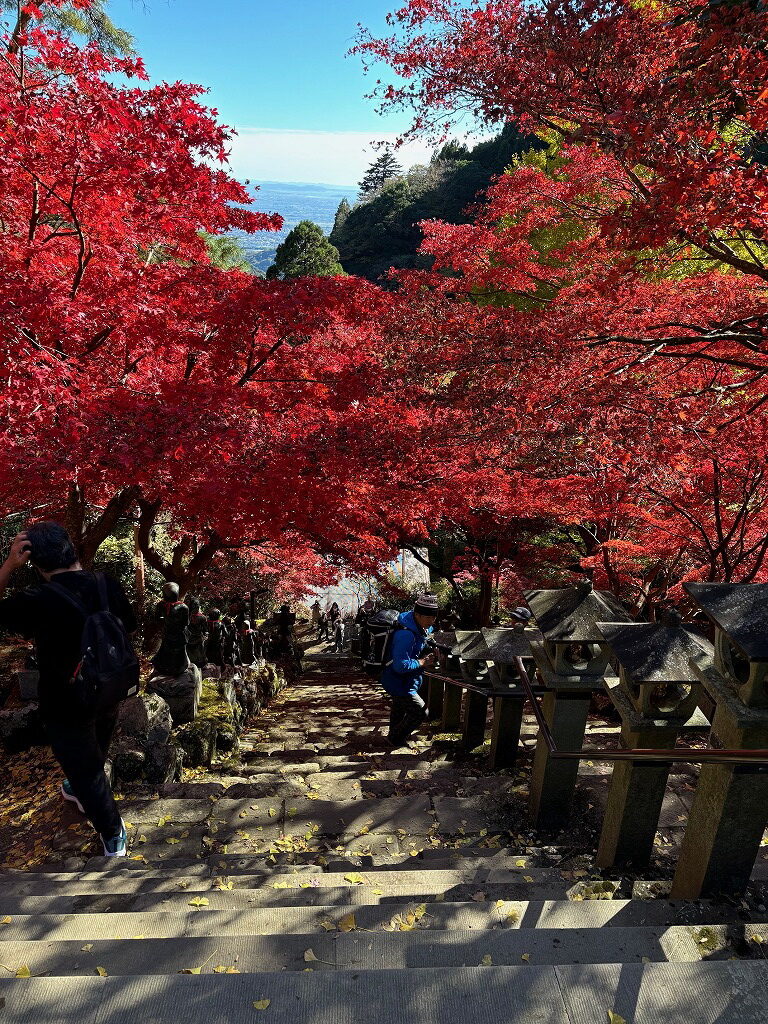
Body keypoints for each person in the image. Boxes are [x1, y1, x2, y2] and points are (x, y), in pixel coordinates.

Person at [0, 523, 137, 857]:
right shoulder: (107, 584)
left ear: (34, 560)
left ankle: (112, 833)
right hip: (110, 685)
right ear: (71, 548)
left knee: (84, 766)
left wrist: (8, 566)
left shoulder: (38, 599)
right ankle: (78, 788)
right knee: (96, 744)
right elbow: (129, 625)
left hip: (65, 697)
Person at [380, 593, 439, 748]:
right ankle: (394, 738)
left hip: (403, 680)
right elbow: (400, 666)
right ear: (417, 614)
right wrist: (422, 662)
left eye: (434, 617)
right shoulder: (406, 634)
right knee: (419, 712)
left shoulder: (418, 627)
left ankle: (393, 739)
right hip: (399, 680)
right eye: (428, 617)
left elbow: (420, 647)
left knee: (399, 708)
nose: (432, 621)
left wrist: (429, 651)